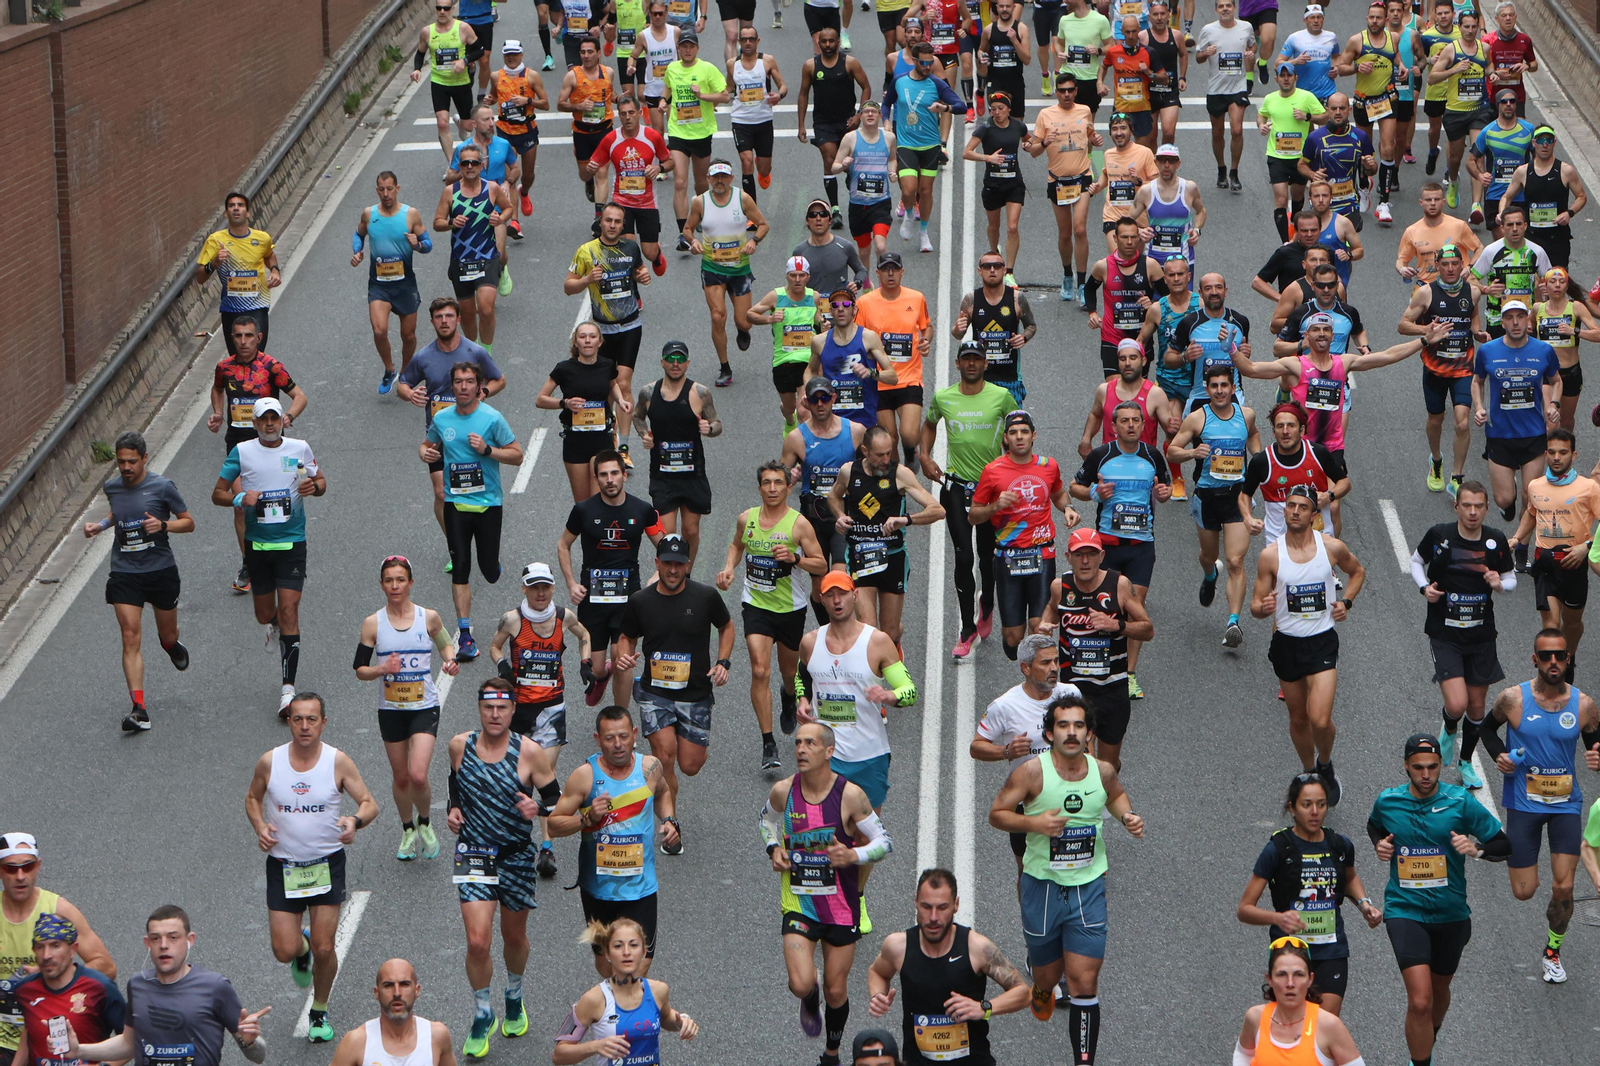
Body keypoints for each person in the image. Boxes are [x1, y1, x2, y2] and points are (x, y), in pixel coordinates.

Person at [986, 695, 1142, 1060]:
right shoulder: (1032, 773)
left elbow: (1115, 794)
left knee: (1083, 982)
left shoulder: (1102, 770)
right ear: (1049, 732)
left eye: (1078, 726)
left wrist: (1127, 817)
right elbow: (997, 814)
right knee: (1047, 977)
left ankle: (1083, 1060)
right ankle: (1041, 987)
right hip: (1042, 887)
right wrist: (1034, 824)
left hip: (1087, 886)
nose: (1071, 733)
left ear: (1089, 733)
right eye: (1063, 726)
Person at [1367, 733, 1510, 1066]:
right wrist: (1380, 844)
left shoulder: (1460, 801)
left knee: (1438, 992)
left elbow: (1504, 844)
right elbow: (1374, 826)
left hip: (1451, 913)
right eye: (1418, 768)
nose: (1426, 775)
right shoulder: (1388, 801)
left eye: (1432, 767)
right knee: (1419, 1000)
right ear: (1406, 766)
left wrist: (1478, 850)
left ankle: (1428, 1037)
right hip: (1405, 910)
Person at [244, 693, 379, 1043]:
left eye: (312, 719)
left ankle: (318, 1010)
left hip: (326, 864)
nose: (305, 726)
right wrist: (260, 826)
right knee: (283, 951)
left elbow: (369, 803)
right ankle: (299, 949)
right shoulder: (270, 762)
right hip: (284, 865)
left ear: (323, 722)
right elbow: (252, 798)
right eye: (298, 719)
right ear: (289, 721)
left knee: (324, 947)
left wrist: (353, 821)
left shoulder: (338, 762)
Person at [759, 723, 893, 1062]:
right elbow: (766, 823)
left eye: (811, 744)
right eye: (798, 743)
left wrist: (852, 855)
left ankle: (831, 1052)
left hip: (840, 906)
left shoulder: (850, 795)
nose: (801, 750)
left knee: (836, 990)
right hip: (799, 902)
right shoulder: (783, 791)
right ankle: (808, 995)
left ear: (829, 751)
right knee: (801, 983)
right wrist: (774, 849)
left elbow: (883, 842)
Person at [1478, 629, 1600, 984]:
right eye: (1546, 656)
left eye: (1559, 656)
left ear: (1567, 660)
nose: (1553, 662)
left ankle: (1552, 951)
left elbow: (1595, 744)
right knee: (1524, 891)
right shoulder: (1512, 699)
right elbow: (1486, 730)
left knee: (1564, 888)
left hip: (1565, 805)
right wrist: (1499, 755)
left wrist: (1596, 757)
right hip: (1523, 803)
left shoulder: (1584, 705)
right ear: (1535, 659)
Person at [447, 678, 560, 1057]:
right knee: (477, 941)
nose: (495, 715)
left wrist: (538, 809)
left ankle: (514, 993)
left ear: (513, 710)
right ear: (479, 709)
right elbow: (455, 783)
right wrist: (453, 808)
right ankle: (482, 1012)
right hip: (474, 852)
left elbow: (557, 800)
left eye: (502, 708)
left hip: (514, 856)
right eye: (488, 708)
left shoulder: (530, 753)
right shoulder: (459, 745)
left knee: (513, 938)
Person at [614, 533, 734, 848]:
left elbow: (727, 626)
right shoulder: (641, 601)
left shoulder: (705, 597)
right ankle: (671, 824)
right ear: (657, 563)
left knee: (690, 765)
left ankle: (670, 793)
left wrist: (723, 661)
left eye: (678, 564)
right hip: (655, 694)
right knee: (664, 756)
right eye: (667, 563)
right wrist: (624, 655)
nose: (672, 570)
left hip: (694, 694)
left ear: (687, 565)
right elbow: (626, 636)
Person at [212, 397, 326, 717]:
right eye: (264, 420)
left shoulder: (297, 450)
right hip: (258, 546)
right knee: (266, 614)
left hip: (292, 543)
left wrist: (312, 488)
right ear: (255, 423)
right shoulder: (243, 452)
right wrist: (239, 497)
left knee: (289, 609)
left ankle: (287, 691)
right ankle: (272, 623)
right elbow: (217, 493)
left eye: (275, 418)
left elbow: (320, 482)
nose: (271, 424)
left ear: (282, 421)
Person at [546, 706, 679, 975]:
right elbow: (554, 824)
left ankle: (620, 1011)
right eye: (609, 738)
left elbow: (663, 793)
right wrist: (586, 819)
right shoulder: (585, 776)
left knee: (637, 967)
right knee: (607, 966)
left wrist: (669, 820)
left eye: (623, 737)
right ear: (597, 739)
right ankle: (610, 1010)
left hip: (640, 888)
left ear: (634, 735)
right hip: (599, 890)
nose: (618, 745)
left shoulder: (649, 768)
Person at [1236, 775, 1382, 1017]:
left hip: (1331, 950)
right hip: (1289, 953)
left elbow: (1350, 879)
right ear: (1292, 807)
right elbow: (1244, 909)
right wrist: (1278, 919)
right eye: (1306, 805)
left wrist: (1364, 904)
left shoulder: (1339, 845)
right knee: (1296, 1026)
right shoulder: (1278, 849)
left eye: (1321, 804)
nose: (1315, 812)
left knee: (1324, 1025)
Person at [1249, 488, 1364, 793]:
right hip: (1287, 643)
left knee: (1320, 720)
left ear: (1314, 515)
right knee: (1299, 718)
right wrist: (1265, 608)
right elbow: (1255, 606)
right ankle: (1309, 771)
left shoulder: (1331, 547)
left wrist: (1347, 602)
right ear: (1284, 512)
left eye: (1302, 507)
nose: (1295, 511)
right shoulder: (1271, 555)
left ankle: (1325, 762)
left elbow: (1357, 572)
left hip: (1322, 640)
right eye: (1290, 506)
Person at [716, 462, 829, 765]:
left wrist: (796, 559)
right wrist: (729, 569)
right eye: (766, 483)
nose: (773, 489)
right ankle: (768, 744)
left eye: (778, 483)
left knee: (789, 673)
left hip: (790, 608)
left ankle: (789, 696)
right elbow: (736, 545)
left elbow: (821, 564)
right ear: (759, 488)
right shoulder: (747, 519)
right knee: (759, 669)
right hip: (756, 605)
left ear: (788, 488)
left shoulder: (799, 524)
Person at [486, 562, 590, 877]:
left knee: (545, 776)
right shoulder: (513, 620)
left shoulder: (564, 617)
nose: (541, 593)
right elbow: (493, 645)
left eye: (545, 587)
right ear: (524, 589)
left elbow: (585, 635)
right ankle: (511, 842)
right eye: (534, 587)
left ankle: (546, 849)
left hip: (551, 708)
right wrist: (503, 664)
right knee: (516, 778)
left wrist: (585, 662)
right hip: (519, 710)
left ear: (553, 588)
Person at [85, 431, 193, 733]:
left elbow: (189, 522)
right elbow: (117, 512)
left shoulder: (162, 487)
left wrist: (164, 524)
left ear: (145, 458)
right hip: (124, 571)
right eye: (121, 462)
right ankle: (139, 709)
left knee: (166, 634)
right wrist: (101, 525)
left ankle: (171, 645)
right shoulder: (112, 487)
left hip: (160, 570)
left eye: (132, 461)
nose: (126, 467)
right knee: (130, 635)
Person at [865, 868, 1029, 1066]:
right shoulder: (898, 947)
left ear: (956, 905)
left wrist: (984, 1008)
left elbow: (1023, 992)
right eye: (926, 907)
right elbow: (877, 972)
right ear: (916, 902)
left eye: (942, 907)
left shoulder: (976, 948)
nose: (933, 917)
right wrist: (877, 996)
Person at [1413, 481, 1518, 790]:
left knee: (1475, 706)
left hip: (1481, 635)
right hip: (1445, 633)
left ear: (1486, 509)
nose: (1473, 512)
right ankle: (1448, 727)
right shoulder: (1439, 535)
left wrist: (1499, 584)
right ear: (1457, 506)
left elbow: (1510, 579)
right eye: (1467, 505)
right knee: (1457, 705)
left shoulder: (1495, 540)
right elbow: (1416, 562)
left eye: (1479, 506)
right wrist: (1424, 588)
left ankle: (1465, 762)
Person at [68, 906, 268, 1066]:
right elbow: (128, 1043)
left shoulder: (215, 987)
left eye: (173, 937)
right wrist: (79, 1050)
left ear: (190, 940)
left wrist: (249, 1042)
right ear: (148, 943)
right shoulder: (138, 985)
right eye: (156, 938)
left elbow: (258, 1056)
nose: (164, 945)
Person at [354, 561, 458, 863]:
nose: (395, 586)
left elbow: (446, 645)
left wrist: (450, 661)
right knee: (401, 778)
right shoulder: (373, 624)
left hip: (424, 706)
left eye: (400, 580)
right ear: (382, 584)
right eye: (389, 580)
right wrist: (381, 669)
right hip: (391, 710)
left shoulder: (429, 618)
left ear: (411, 583)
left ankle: (425, 821)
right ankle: (407, 828)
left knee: (417, 774)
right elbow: (360, 670)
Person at [422, 362, 523, 663]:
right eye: (458, 382)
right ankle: (465, 635)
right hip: (456, 505)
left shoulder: (492, 419)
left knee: (489, 571)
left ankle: (493, 565)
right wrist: (425, 452)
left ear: (479, 387)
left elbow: (518, 455)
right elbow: (428, 445)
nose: (463, 387)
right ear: (451, 386)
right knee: (461, 565)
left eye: (469, 382)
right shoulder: (441, 418)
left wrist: (488, 451)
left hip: (488, 504)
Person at [795, 573, 920, 812]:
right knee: (829, 835)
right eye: (830, 595)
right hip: (825, 754)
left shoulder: (877, 642)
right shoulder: (810, 643)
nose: (837, 600)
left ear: (855, 595)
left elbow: (910, 691)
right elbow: (802, 675)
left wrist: (889, 696)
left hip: (869, 756)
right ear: (822, 600)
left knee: (867, 838)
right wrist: (802, 699)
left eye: (842, 593)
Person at [1070, 397, 1170, 697]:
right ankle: (1096, 665)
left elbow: (1162, 490)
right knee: (1103, 605)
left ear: (1143, 425)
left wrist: (1163, 493)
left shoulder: (1153, 456)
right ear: (1113, 427)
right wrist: (1095, 492)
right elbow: (1074, 488)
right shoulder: (1101, 455)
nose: (1130, 425)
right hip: (1108, 546)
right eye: (1124, 421)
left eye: (1135, 421)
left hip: (1141, 546)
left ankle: (1128, 674)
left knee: (1134, 610)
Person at [920, 344, 1016, 656]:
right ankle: (966, 627)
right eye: (966, 359)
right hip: (956, 487)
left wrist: (1014, 465)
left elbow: (1019, 428)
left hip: (990, 490)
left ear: (986, 364)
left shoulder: (1001, 396)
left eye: (977, 359)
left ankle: (986, 603)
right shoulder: (944, 397)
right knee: (963, 558)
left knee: (987, 557)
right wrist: (924, 456)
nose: (971, 364)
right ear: (958, 363)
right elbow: (929, 424)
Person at [398, 299, 505, 564]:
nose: (444, 321)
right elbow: (402, 383)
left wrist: (485, 391)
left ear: (458, 319)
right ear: (432, 321)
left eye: (449, 316)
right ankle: (456, 547)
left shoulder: (475, 351)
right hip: (440, 437)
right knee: (442, 493)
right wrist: (410, 393)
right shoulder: (423, 356)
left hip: (472, 434)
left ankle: (483, 542)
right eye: (438, 317)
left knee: (473, 489)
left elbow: (499, 379)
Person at [557, 450, 667, 710]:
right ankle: (602, 676)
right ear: (596, 478)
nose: (610, 479)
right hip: (593, 599)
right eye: (604, 475)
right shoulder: (583, 510)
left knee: (622, 658)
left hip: (628, 599)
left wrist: (656, 577)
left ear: (624, 476)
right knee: (596, 668)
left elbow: (665, 546)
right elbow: (563, 545)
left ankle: (621, 719)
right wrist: (572, 583)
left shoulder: (643, 510)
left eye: (615, 473)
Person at [206, 317, 307, 594]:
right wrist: (216, 413)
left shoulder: (271, 366)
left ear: (258, 338)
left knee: (276, 500)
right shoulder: (224, 368)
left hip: (270, 442)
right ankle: (249, 562)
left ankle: (282, 551)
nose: (243, 341)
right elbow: (217, 389)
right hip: (239, 444)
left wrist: (288, 416)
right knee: (242, 505)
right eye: (238, 336)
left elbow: (300, 396)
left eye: (249, 336)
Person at [1038, 529, 1154, 770]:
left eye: (1091, 554)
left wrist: (1116, 625)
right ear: (1068, 557)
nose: (1085, 561)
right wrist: (1044, 626)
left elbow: (1147, 629)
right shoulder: (1061, 587)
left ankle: (1108, 785)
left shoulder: (1120, 585)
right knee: (1084, 763)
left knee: (1107, 767)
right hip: (1075, 691)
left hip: (1113, 689)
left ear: (1102, 556)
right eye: (1079, 555)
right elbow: (1050, 610)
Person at [969, 411, 1080, 661]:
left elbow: (1059, 493)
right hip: (1008, 557)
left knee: (1039, 631)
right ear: (1006, 439)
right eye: (1013, 433)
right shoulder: (993, 471)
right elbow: (974, 516)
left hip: (1042, 553)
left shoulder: (1048, 465)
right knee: (1013, 639)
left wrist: (1068, 508)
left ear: (1033, 436)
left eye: (1024, 432)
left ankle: (1034, 686)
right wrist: (995, 506)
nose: (1019, 437)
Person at [1167, 365, 1261, 648]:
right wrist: (1192, 452)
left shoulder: (1246, 415)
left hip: (1237, 497)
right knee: (1209, 556)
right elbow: (1172, 449)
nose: (1220, 390)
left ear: (1233, 389)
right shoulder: (1197, 419)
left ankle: (1233, 622)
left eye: (1224, 385)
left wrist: (1257, 457)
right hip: (1207, 497)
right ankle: (1210, 574)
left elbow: (1254, 434)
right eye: (1214, 386)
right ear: (1207, 390)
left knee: (1235, 560)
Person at [0, 833, 115, 1063]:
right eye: (11, 869)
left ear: (38, 866)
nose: (20, 876)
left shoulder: (59, 910)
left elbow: (106, 966)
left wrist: (49, 976)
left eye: (28, 866)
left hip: (50, 1038)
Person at [828, 426, 944, 647]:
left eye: (888, 453)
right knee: (869, 630)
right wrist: (841, 516)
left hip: (892, 558)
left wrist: (906, 519)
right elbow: (833, 496)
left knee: (889, 633)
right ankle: (875, 679)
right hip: (860, 556)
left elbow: (937, 510)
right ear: (865, 450)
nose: (885, 460)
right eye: (879, 455)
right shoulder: (849, 472)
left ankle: (895, 636)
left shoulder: (899, 474)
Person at [564, 206, 652, 461]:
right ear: (600, 223)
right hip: (602, 330)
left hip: (630, 326)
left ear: (623, 225)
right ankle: (608, 435)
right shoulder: (586, 251)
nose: (612, 225)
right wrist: (586, 280)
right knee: (605, 387)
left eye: (617, 222)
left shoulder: (631, 248)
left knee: (623, 384)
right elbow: (568, 286)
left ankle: (623, 447)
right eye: (608, 221)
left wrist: (643, 276)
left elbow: (639, 273)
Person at [1508, 431, 1600, 664]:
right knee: (1550, 625)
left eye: (1563, 452)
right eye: (1552, 452)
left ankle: (1570, 658)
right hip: (1546, 562)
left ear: (1574, 455)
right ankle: (1554, 669)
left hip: (1574, 564)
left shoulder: (1589, 488)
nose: (1557, 457)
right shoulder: (1536, 486)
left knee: (1572, 623)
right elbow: (1532, 514)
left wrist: (1586, 547)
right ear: (1545, 454)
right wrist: (1517, 537)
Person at [553, 918, 699, 1063]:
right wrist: (595, 1046)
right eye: (618, 946)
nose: (626, 952)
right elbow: (559, 1055)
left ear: (643, 952)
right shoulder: (594, 999)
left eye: (633, 945)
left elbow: (666, 1018)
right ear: (608, 954)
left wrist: (683, 1021)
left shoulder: (658, 990)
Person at [1398, 244, 1482, 495]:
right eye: (1444, 264)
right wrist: (1427, 331)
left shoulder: (1473, 292)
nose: (1450, 268)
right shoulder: (1426, 293)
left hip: (1464, 368)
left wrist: (1480, 333)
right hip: (1435, 368)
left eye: (1455, 263)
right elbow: (1403, 325)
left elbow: (1473, 319)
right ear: (1438, 265)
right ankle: (1436, 460)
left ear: (1461, 264)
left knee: (1462, 423)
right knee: (1436, 418)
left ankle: (1457, 476)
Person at [783, 378, 869, 620]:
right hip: (813, 517)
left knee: (839, 580)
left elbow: (871, 467)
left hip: (844, 516)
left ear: (834, 398)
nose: (820, 404)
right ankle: (826, 628)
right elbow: (778, 478)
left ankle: (844, 630)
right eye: (814, 399)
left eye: (824, 398)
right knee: (819, 586)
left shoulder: (855, 431)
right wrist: (790, 477)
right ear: (806, 403)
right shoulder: (796, 438)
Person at [1473, 299, 1561, 531]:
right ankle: (1507, 496)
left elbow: (1556, 380)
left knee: (1530, 496)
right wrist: (1479, 407)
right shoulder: (1488, 351)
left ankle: (1521, 548)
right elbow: (1477, 381)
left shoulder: (1543, 350)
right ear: (1502, 322)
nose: (1515, 323)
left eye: (1520, 317)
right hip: (1500, 434)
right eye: (1510, 318)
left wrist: (1554, 404)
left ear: (1527, 321)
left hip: (1533, 434)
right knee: (1504, 499)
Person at [633, 340, 723, 565]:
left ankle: (686, 574)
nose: (676, 363)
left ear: (688, 363)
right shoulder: (649, 392)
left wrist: (709, 429)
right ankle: (668, 575)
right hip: (663, 475)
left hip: (692, 473)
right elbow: (637, 416)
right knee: (667, 534)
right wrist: (645, 435)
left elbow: (717, 424)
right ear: (662, 362)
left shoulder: (700, 392)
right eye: (671, 359)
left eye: (681, 359)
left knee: (691, 531)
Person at [684, 160, 769, 387]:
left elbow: (763, 224)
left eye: (724, 176)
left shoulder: (742, 199)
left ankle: (742, 330)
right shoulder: (700, 202)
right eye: (715, 177)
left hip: (740, 269)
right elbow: (687, 228)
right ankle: (725, 367)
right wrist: (693, 242)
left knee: (745, 321)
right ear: (708, 179)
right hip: (712, 268)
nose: (720, 181)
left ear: (731, 178)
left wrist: (754, 241)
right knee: (716, 316)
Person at [7, 914, 126, 1066]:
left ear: (73, 949)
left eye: (55, 945)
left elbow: (131, 1041)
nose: (46, 955)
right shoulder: (24, 990)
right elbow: (29, 1032)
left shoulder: (100, 987)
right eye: (40, 947)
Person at [352, 172, 431, 392]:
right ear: (377, 190)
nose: (386, 194)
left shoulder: (410, 214)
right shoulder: (369, 214)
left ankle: (406, 373)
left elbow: (428, 244)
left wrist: (417, 245)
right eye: (381, 189)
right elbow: (358, 234)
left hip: (405, 285)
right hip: (379, 286)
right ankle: (389, 369)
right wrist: (358, 252)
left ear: (397, 188)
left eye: (389, 189)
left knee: (408, 335)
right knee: (379, 331)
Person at [1232, 939, 1365, 1066]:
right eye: (1281, 975)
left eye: (1298, 975)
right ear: (1270, 979)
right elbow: (1242, 1054)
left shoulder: (1329, 1026)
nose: (1290, 983)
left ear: (1310, 979)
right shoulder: (1255, 1018)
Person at [884, 43, 965, 252]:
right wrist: (885, 120)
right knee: (909, 189)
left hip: (930, 145)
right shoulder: (900, 81)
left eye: (931, 62)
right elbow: (886, 103)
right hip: (906, 144)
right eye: (924, 62)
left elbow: (961, 106)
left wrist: (943, 107)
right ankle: (910, 214)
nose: (928, 66)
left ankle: (924, 233)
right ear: (914, 60)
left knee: (926, 191)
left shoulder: (937, 84)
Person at [1030, 76, 1102, 304]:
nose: (1067, 94)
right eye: (1062, 91)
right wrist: (1043, 143)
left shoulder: (1084, 111)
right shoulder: (1046, 115)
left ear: (1076, 91)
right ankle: (1067, 275)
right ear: (1056, 92)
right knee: (1065, 233)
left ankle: (1082, 283)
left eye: (1071, 90)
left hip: (1082, 177)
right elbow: (1033, 151)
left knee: (1080, 230)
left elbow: (1089, 139)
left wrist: (1095, 140)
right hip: (1058, 180)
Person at [1237, 401, 1350, 546]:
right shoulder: (1262, 461)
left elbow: (1345, 483)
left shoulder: (1318, 453)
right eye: (1280, 426)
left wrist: (1329, 496)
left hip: (1318, 539)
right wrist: (1248, 518)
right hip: (1279, 541)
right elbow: (1244, 494)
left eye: (1291, 425)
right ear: (1274, 432)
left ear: (1302, 430)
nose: (1285, 431)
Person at [433, 143, 511, 349]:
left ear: (481, 165)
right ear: (459, 165)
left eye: (474, 163)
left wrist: (500, 218)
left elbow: (508, 208)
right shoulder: (450, 192)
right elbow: (437, 222)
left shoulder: (492, 188)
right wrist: (451, 223)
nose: (469, 166)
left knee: (485, 309)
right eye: (465, 163)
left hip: (486, 257)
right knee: (467, 313)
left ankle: (486, 351)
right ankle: (472, 348)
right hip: (461, 260)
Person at [857, 254, 932, 463]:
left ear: (902, 272)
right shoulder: (864, 302)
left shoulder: (916, 298)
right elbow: (856, 336)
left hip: (909, 378)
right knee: (888, 440)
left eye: (895, 269)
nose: (891, 274)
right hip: (878, 381)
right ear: (878, 273)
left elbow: (927, 327)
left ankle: (910, 454)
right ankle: (897, 482)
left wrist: (926, 340)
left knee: (909, 435)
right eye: (886, 269)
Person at [588, 97, 674, 276]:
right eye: (623, 114)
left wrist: (659, 168)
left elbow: (670, 161)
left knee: (648, 253)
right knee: (628, 253)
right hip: (622, 203)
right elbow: (594, 164)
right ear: (619, 116)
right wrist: (591, 168)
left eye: (631, 113)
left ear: (640, 114)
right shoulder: (611, 139)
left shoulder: (652, 137)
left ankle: (656, 253)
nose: (627, 117)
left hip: (647, 203)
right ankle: (634, 296)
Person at [797, 30, 874, 229]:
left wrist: (859, 115)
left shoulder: (850, 63)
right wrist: (801, 125)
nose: (828, 45)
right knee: (829, 159)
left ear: (838, 42)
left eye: (832, 41)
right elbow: (803, 94)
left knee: (849, 164)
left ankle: (854, 188)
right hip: (823, 123)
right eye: (824, 42)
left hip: (847, 121)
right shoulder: (810, 66)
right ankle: (836, 210)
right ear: (818, 42)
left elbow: (866, 87)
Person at [664, 32, 731, 254]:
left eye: (691, 46)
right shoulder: (672, 69)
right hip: (678, 132)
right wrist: (664, 102)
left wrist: (703, 96)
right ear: (678, 49)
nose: (687, 50)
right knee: (680, 183)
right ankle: (683, 232)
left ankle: (700, 214)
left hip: (701, 132)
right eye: (683, 46)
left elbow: (724, 96)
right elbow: (667, 90)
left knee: (701, 183)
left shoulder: (707, 69)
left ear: (697, 48)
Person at [195, 192, 281, 355]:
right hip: (231, 308)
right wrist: (214, 264)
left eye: (240, 205)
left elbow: (269, 255)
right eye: (232, 206)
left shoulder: (262, 238)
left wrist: (275, 270)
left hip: (258, 305)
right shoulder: (215, 240)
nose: (236, 208)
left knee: (255, 357)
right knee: (237, 359)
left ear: (247, 212)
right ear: (226, 213)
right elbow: (199, 277)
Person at [325, 960, 456, 1066]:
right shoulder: (356, 1043)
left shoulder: (437, 1037)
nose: (397, 993)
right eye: (388, 985)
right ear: (376, 993)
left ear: (417, 990)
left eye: (404, 984)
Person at [1338, 3, 1402, 222]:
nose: (1374, 21)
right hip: (1363, 101)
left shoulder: (1393, 38)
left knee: (1388, 147)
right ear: (1366, 19)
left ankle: (1383, 202)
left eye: (1378, 18)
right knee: (1364, 151)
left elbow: (1396, 58)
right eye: (1371, 18)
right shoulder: (1357, 41)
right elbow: (1341, 67)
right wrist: (1357, 68)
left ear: (1385, 20)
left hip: (1387, 99)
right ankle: (1364, 187)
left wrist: (1401, 68)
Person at [749, 257, 825, 432]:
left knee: (804, 411)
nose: (797, 280)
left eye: (801, 275)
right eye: (793, 275)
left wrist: (823, 324)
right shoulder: (776, 296)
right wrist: (770, 318)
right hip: (783, 361)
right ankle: (789, 421)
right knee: (790, 408)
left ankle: (805, 452)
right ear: (787, 276)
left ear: (808, 276)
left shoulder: (813, 296)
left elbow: (817, 320)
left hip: (808, 361)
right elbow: (750, 314)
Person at [1428, 10, 1491, 214]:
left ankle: (1476, 205)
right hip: (1455, 111)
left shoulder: (1485, 48)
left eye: (1474, 26)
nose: (1471, 31)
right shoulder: (1450, 50)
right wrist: (1454, 70)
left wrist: (1494, 75)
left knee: (1478, 155)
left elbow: (1488, 67)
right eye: (1466, 27)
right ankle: (1453, 181)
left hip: (1479, 110)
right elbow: (1432, 78)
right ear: (1459, 27)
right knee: (1455, 158)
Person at [964, 92, 1034, 276]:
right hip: (993, 185)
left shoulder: (1018, 126)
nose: (997, 112)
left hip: (1014, 183)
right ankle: (995, 253)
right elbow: (967, 152)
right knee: (994, 226)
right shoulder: (985, 128)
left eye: (1001, 108)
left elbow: (1029, 139)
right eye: (993, 109)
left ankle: (1009, 271)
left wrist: (1028, 145)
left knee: (1012, 226)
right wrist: (988, 158)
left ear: (1009, 109)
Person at [1502, 124, 1588, 271]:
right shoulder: (1523, 172)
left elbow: (1581, 196)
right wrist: (1502, 215)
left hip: (1557, 238)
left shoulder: (1565, 170)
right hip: (1532, 237)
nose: (1545, 145)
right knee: (1533, 281)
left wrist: (1569, 213)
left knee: (1557, 282)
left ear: (1554, 143)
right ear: (1534, 143)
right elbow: (1506, 197)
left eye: (1549, 140)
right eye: (1541, 141)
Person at [1086, 219, 1164, 378]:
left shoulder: (1150, 265)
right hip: (1112, 338)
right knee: (1114, 389)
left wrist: (1153, 304)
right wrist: (1092, 313)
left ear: (1138, 238)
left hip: (1141, 338)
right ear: (1115, 238)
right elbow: (1089, 289)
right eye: (1124, 237)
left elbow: (1169, 297)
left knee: (1137, 391)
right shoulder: (1103, 266)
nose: (1129, 242)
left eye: (1133, 237)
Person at [953, 254, 1037, 402]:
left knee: (1013, 423)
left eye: (997, 266)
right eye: (987, 266)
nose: (992, 270)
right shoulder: (971, 300)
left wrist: (1023, 337)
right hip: (980, 379)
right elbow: (958, 335)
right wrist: (958, 329)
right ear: (980, 271)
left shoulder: (1016, 298)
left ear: (1004, 270)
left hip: (1010, 378)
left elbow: (1031, 325)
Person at [811, 288, 898, 428]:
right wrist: (809, 392)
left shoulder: (868, 338)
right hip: (832, 420)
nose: (840, 309)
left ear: (854, 310)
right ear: (831, 311)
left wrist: (871, 373)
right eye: (835, 305)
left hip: (863, 420)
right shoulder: (819, 342)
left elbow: (893, 377)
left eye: (846, 305)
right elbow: (810, 370)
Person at [1256, 63, 1325, 238]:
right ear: (1276, 79)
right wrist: (1261, 125)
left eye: (1289, 75)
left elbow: (1325, 117)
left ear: (1296, 78)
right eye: (1282, 75)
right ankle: (1286, 242)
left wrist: (1307, 117)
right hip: (1276, 156)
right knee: (1280, 199)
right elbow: (1262, 114)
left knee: (1297, 196)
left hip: (1300, 158)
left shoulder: (1307, 97)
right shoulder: (1270, 98)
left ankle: (1295, 222)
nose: (1286, 79)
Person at [1195, 0, 1256, 193]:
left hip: (1238, 88)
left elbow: (1253, 45)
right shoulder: (1208, 30)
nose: (1225, 9)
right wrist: (1206, 52)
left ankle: (1234, 172)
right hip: (1216, 89)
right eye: (1221, 6)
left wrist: (1250, 53)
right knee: (1217, 133)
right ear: (1215, 10)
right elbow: (1198, 57)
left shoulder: (1246, 27)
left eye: (1228, 5)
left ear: (1234, 8)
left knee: (1237, 131)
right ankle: (1221, 168)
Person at [1299, 97, 1376, 252]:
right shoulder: (1315, 138)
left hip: (1348, 204)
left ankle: (1340, 276)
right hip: (1321, 204)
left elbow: (1372, 169)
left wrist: (1370, 167)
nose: (1338, 112)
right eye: (1333, 108)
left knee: (1345, 253)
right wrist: (1313, 175)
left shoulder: (1361, 137)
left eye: (1342, 108)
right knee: (1320, 251)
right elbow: (1301, 165)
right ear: (1327, 110)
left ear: (1349, 110)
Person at [1169, 270, 1251, 413]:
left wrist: (1244, 355)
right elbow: (1168, 359)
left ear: (1225, 291)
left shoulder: (1240, 321)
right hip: (1200, 395)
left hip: (1232, 394)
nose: (1214, 292)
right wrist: (1184, 357)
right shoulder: (1189, 323)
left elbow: (1245, 363)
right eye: (1208, 288)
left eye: (1218, 287)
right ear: (1200, 293)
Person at [488, 41, 548, 235]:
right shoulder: (496, 76)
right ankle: (515, 222)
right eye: (507, 55)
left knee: (528, 175)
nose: (511, 58)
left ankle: (525, 192)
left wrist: (527, 101)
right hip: (505, 131)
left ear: (522, 55)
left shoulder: (532, 76)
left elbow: (546, 104)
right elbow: (494, 97)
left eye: (514, 54)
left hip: (527, 130)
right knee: (511, 176)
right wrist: (490, 100)